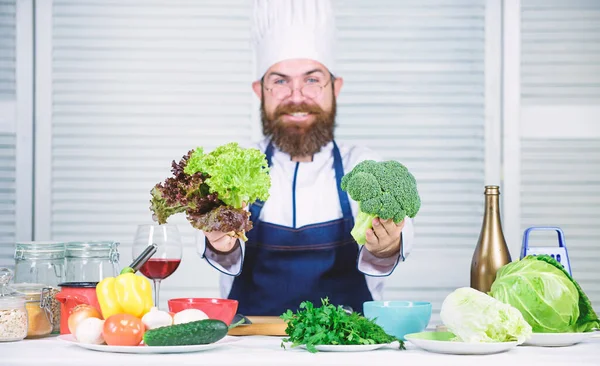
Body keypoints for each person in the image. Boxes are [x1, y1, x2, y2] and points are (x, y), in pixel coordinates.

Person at [196, 0, 414, 316]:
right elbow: (223, 258)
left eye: (312, 80)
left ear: (335, 88)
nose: (297, 96)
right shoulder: (238, 168)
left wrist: (387, 246)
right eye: (280, 81)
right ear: (260, 91)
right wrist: (220, 243)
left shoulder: (362, 166)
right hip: (251, 347)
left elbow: (391, 248)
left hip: (347, 347)